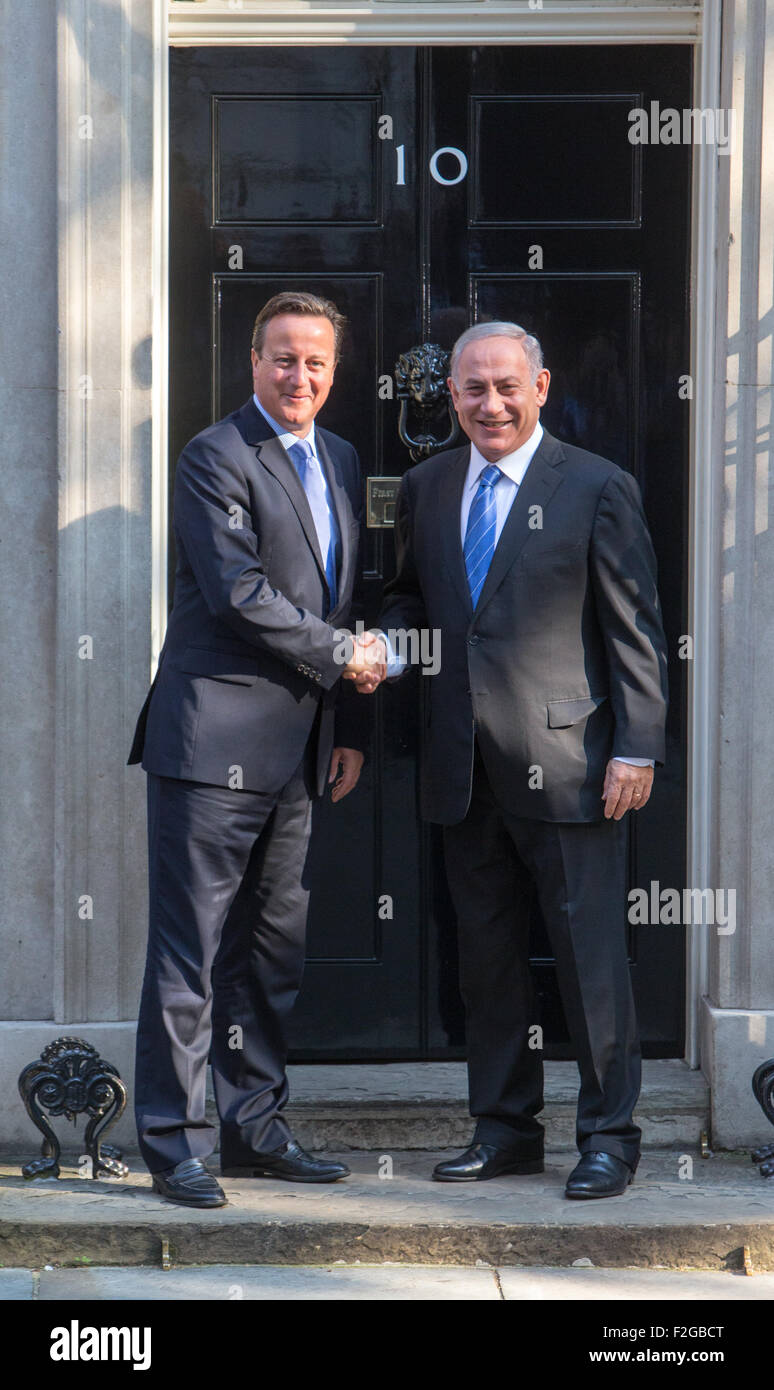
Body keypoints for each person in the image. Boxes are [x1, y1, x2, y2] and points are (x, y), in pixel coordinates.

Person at [352, 321, 668, 1199]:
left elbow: (635, 628)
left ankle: (610, 1136)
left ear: (540, 385)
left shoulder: (598, 486)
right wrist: (387, 643)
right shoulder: (425, 483)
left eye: (505, 387)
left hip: (572, 763)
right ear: (450, 396)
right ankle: (503, 1132)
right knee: (485, 961)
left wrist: (636, 747)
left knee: (589, 961)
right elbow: (413, 592)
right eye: (471, 389)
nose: (489, 404)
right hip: (464, 764)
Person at [128, 291, 379, 1208]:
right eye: (283, 358)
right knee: (190, 952)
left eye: (315, 362)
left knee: (272, 953)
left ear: (334, 371)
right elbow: (238, 593)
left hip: (304, 752)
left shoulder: (343, 459)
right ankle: (175, 1143)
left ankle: (254, 1129)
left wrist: (349, 726)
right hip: (211, 746)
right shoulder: (214, 455)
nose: (299, 376)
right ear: (253, 361)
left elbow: (342, 600)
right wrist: (345, 655)